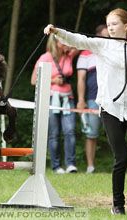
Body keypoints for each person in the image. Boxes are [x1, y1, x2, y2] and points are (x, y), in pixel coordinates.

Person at [44, 8, 127, 215]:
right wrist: (57, 31)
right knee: (122, 158)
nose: (110, 27)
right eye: (108, 24)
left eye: (114, 24)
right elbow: (77, 40)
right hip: (110, 109)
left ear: (126, 26)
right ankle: (118, 204)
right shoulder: (101, 44)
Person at [31, 34, 78, 174]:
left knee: (70, 131)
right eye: (63, 42)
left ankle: (71, 164)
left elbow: (80, 44)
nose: (66, 44)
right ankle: (56, 165)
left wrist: (69, 45)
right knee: (54, 133)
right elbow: (34, 80)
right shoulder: (45, 57)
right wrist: (53, 80)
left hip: (68, 97)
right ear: (55, 42)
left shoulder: (68, 55)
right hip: (51, 98)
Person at [76, 24, 108, 174]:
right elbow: (81, 79)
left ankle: (118, 163)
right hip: (92, 99)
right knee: (91, 134)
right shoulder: (86, 54)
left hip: (112, 99)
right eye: (105, 36)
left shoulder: (114, 51)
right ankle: (90, 166)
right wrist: (81, 100)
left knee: (116, 132)